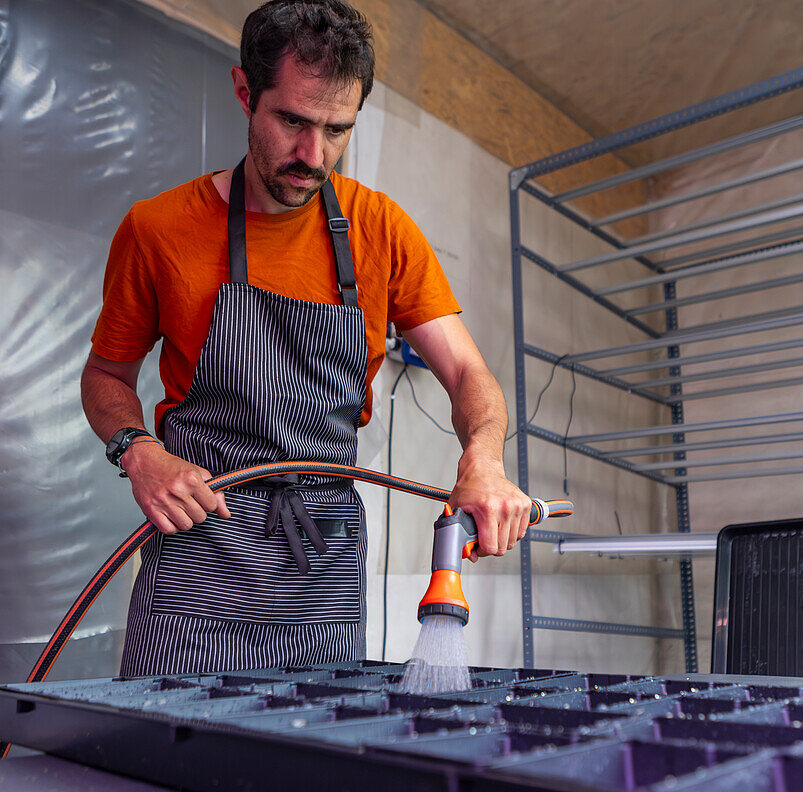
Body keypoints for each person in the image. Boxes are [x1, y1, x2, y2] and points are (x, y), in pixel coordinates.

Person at [80, 0, 530, 676]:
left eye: (337, 129)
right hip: (202, 553)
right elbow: (105, 377)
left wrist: (485, 460)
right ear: (243, 92)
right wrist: (138, 451)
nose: (312, 156)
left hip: (324, 566)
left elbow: (468, 375)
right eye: (292, 121)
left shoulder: (383, 230)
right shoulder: (159, 229)